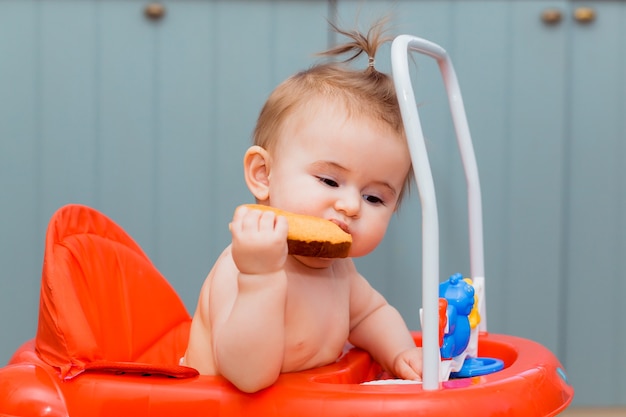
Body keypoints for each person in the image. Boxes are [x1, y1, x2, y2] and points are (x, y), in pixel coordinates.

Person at [182, 18, 423, 393]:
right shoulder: (243, 266)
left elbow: (371, 315)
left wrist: (401, 353)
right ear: (264, 175)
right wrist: (259, 279)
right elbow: (246, 377)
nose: (350, 206)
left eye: (374, 197)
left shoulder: (341, 273)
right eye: (329, 180)